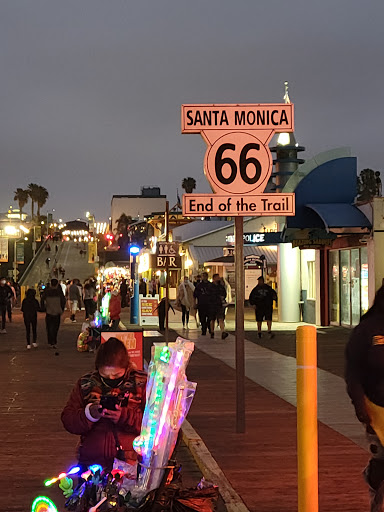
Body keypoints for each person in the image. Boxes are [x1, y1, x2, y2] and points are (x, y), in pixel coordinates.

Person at [61, 337, 146, 470]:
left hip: (130, 464)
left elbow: (155, 425)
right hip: (92, 464)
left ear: (126, 367)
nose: (111, 379)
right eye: (105, 376)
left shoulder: (142, 383)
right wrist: (89, 413)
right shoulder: (86, 384)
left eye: (116, 375)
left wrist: (123, 416)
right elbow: (68, 420)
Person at [345, 286, 384, 511]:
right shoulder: (368, 330)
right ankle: (375, 482)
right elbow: (354, 372)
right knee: (382, 463)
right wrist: (360, 406)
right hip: (376, 408)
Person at [41, 278, 66, 349]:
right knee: (55, 327)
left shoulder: (47, 292)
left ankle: (50, 341)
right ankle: (54, 341)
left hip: (49, 311)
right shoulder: (59, 292)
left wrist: (44, 308)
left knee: (49, 327)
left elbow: (42, 300)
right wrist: (62, 309)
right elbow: (63, 301)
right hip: (57, 312)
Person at [193, 272, 213, 336]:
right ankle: (203, 330)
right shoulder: (199, 286)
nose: (204, 277)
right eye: (203, 276)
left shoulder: (210, 285)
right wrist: (194, 303)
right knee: (202, 318)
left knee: (209, 317)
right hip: (201, 304)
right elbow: (195, 295)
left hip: (209, 304)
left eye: (205, 276)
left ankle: (209, 329)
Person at [209, 274, 229, 340]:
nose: (218, 279)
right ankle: (212, 331)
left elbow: (224, 294)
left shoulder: (221, 286)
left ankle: (223, 332)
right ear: (214, 278)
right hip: (212, 304)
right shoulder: (211, 286)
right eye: (217, 278)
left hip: (220, 305)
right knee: (212, 319)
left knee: (221, 318)